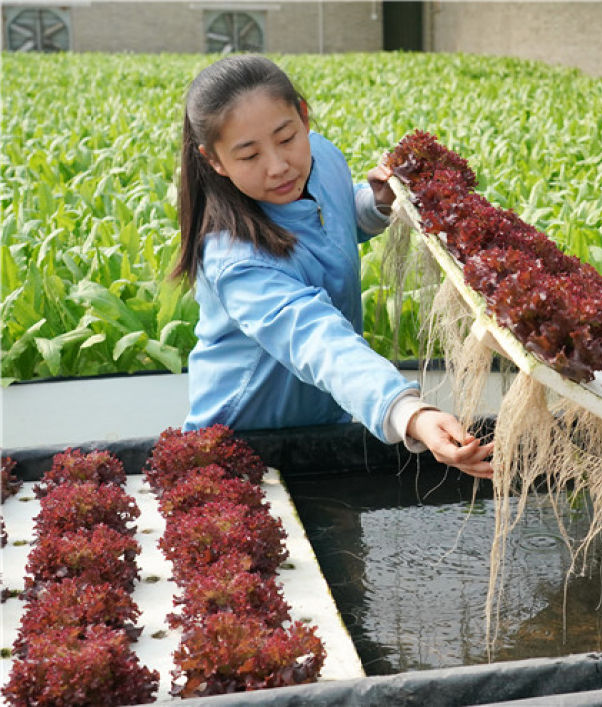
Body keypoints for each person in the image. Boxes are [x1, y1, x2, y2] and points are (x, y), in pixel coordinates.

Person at [173, 54, 492, 479]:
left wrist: (376, 204)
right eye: (248, 155)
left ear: (303, 117)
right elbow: (316, 341)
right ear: (213, 161)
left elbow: (333, 220)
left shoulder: (321, 159)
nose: (278, 165)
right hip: (242, 447)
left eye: (286, 138)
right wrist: (409, 412)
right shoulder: (235, 258)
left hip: (326, 421)